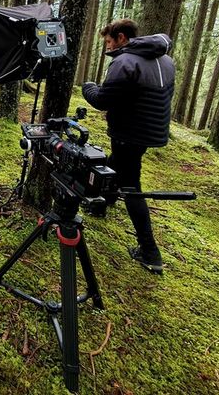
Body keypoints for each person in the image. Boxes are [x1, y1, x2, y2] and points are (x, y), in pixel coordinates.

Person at [82, 19, 175, 275]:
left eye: (109, 42)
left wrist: (88, 87)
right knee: (117, 165)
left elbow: (102, 100)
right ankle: (103, 202)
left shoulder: (125, 62)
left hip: (130, 132)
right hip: (149, 133)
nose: (108, 47)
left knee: (131, 185)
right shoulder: (165, 60)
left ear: (121, 37)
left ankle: (150, 251)